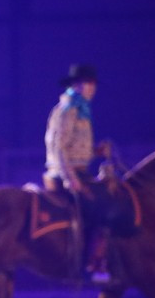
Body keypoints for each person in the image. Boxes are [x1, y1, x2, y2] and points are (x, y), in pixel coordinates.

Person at [43, 63, 114, 284]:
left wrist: (95, 151)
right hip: (65, 172)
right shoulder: (69, 109)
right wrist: (70, 178)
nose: (92, 88)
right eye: (88, 83)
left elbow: (73, 146)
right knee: (102, 209)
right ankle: (92, 263)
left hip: (78, 169)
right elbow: (59, 147)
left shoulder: (81, 109)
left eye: (93, 83)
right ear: (76, 85)